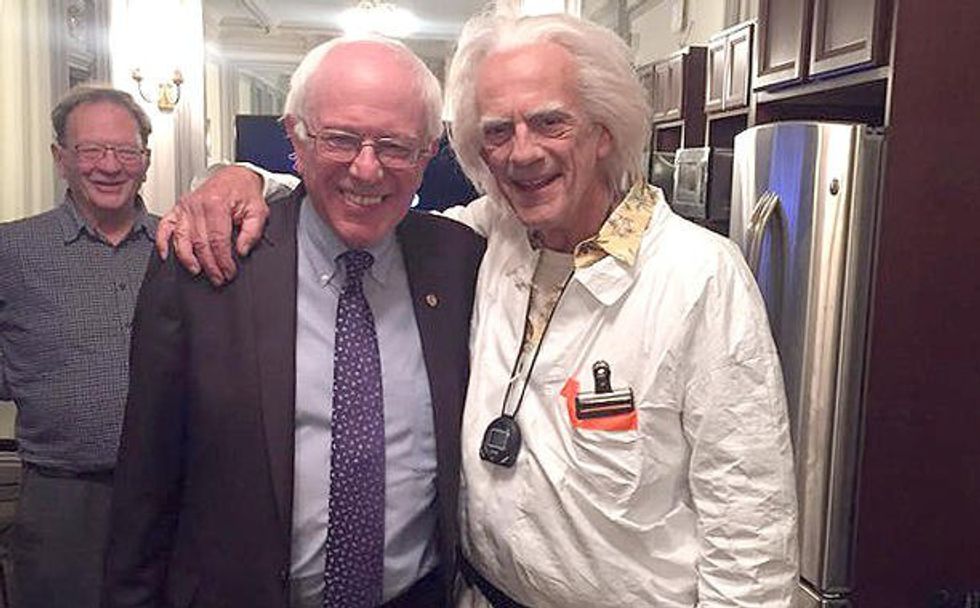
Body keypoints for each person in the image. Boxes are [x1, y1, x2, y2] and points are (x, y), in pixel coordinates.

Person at [160, 13, 799, 607]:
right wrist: (243, 178)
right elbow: (365, 198)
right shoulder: (488, 238)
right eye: (498, 131)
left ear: (604, 131)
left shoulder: (698, 276)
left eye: (550, 122)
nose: (522, 152)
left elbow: (750, 531)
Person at [101, 38, 484, 608]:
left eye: (396, 146)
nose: (367, 168)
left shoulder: (459, 260)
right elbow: (146, 483)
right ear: (295, 138)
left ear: (428, 153)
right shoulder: (206, 261)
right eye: (340, 139)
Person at [0, 85, 155, 608]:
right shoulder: (12, 250)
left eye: (125, 151)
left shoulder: (180, 246)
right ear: (60, 158)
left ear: (145, 161)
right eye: (91, 150)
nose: (109, 166)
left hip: (169, 496)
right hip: (62, 501)